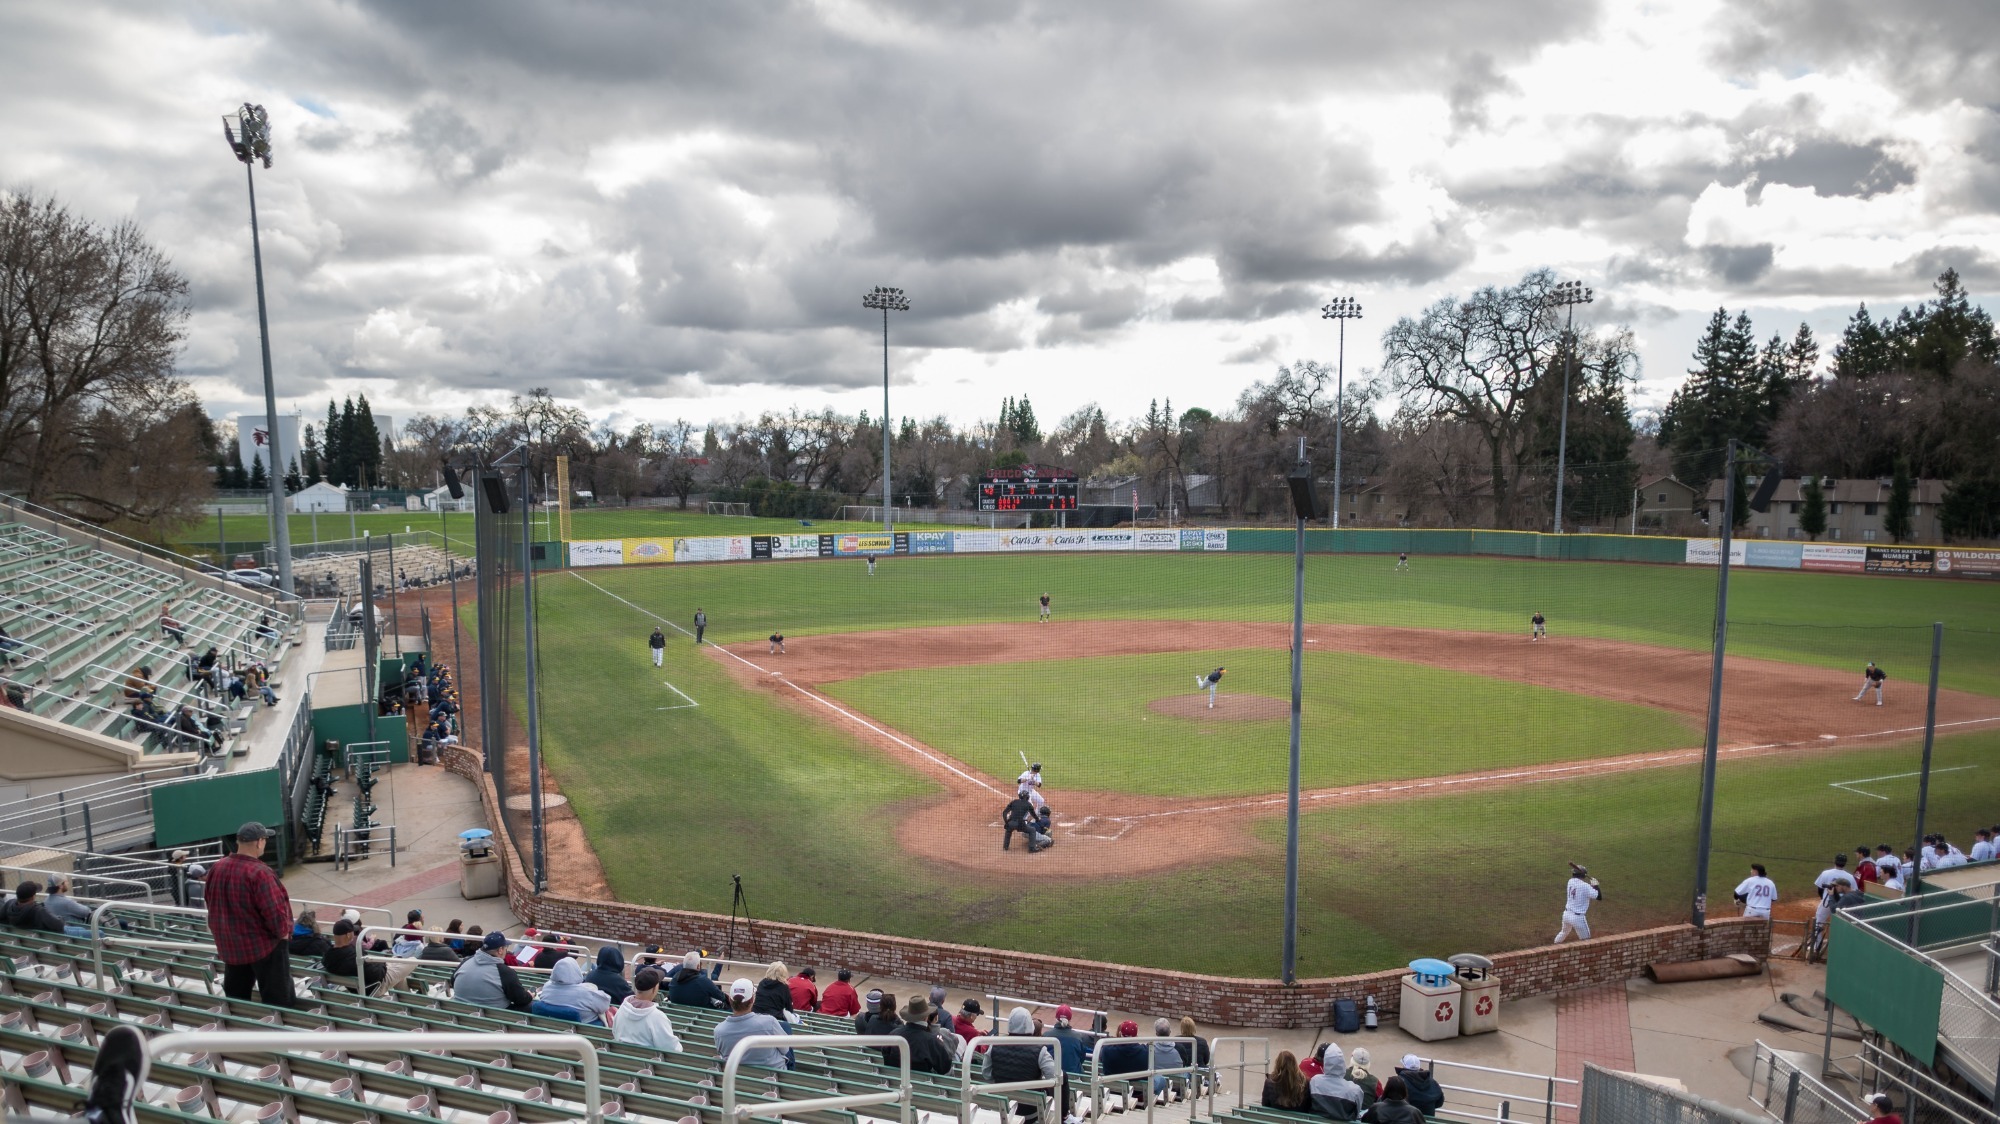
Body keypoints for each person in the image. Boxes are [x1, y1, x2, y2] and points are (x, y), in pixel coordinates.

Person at [204, 822, 295, 1007]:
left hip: (231, 946)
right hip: (263, 947)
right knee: (279, 1001)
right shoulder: (260, 873)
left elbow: (210, 902)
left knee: (236, 999)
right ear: (259, 842)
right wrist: (283, 934)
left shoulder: (217, 867)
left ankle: (239, 1029)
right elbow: (275, 914)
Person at [989, 1008, 1061, 1123]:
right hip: (1030, 1114)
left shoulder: (994, 1045)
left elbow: (986, 1074)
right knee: (1063, 1076)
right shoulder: (1040, 1050)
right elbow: (1054, 1077)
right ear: (1029, 1025)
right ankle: (1065, 1116)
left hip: (1000, 1109)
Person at [714, 978, 791, 1069]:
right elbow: (785, 1049)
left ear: (730, 1000)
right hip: (772, 1077)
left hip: (737, 1077)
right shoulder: (769, 1022)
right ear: (752, 1000)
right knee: (786, 1026)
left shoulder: (719, 1031)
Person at [453, 930, 533, 1011]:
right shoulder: (505, 972)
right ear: (500, 950)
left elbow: (452, 982)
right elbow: (521, 999)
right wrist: (529, 995)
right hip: (492, 1017)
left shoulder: (465, 961)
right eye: (506, 947)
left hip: (460, 1012)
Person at [1048, 1004, 1100, 1121]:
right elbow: (1081, 1058)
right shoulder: (1077, 1037)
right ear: (1070, 1019)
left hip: (1051, 1080)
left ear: (1056, 1018)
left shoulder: (1047, 1036)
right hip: (1073, 1079)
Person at [614, 967, 684, 1052]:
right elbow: (673, 1050)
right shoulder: (658, 1017)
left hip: (623, 1061)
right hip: (649, 1063)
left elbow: (615, 1034)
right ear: (654, 989)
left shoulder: (621, 1009)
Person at [535, 957, 614, 1026]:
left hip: (552, 1028)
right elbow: (605, 1005)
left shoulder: (547, 986)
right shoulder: (585, 992)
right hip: (585, 1032)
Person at [890, 996, 955, 1074]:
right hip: (923, 1084)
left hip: (894, 1081)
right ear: (926, 1017)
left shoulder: (893, 1034)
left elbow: (886, 1056)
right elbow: (945, 1068)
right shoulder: (932, 1041)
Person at [1308, 1043, 1364, 1121]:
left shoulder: (1315, 1081)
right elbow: (1356, 1114)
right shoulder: (1355, 1090)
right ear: (1342, 1064)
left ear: (1325, 1063)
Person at [1554, 863, 1601, 943]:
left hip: (1566, 915)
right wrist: (1596, 886)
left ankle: (1553, 947)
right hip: (1577, 918)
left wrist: (1592, 886)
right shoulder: (1585, 886)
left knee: (1564, 932)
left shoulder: (1570, 881)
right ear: (1583, 875)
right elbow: (1599, 897)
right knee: (1586, 941)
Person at [0, 881, 67, 934]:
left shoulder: (9, 904)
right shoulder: (38, 910)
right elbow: (59, 925)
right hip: (41, 942)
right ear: (33, 897)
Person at [1815, 853, 1860, 932]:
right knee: (1839, 926)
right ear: (1845, 863)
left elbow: (1820, 889)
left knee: (1818, 923)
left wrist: (1823, 898)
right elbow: (1853, 891)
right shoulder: (1850, 877)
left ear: (1835, 861)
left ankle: (1816, 943)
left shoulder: (1826, 873)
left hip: (1827, 902)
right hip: (1842, 904)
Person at [1149, 1018, 1185, 1103]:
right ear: (1170, 1032)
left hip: (1156, 1084)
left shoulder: (1150, 1047)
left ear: (1156, 1033)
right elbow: (1185, 1063)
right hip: (1176, 1086)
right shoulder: (1179, 1048)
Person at [1345, 1046, 1379, 1116]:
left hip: (1342, 1114)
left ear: (1352, 1060)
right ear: (1368, 1063)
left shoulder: (1342, 1074)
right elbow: (1381, 1098)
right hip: (1363, 1118)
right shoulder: (1375, 1082)